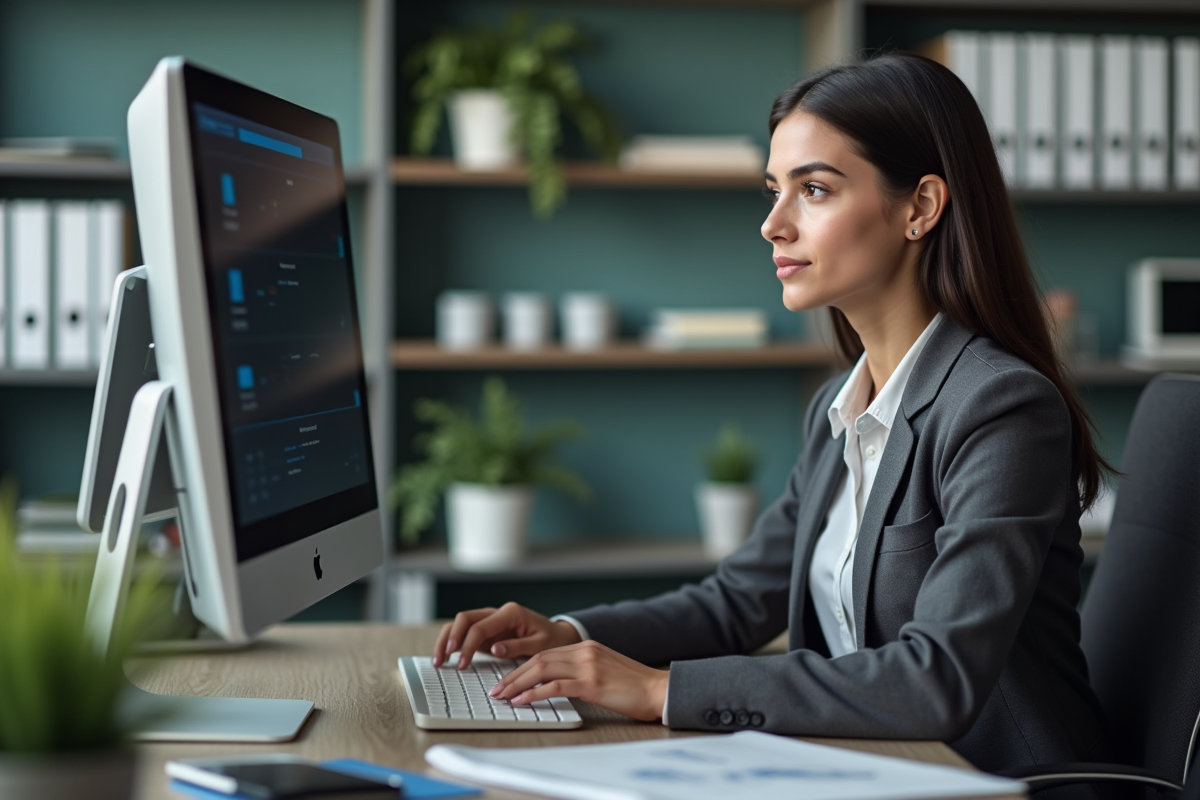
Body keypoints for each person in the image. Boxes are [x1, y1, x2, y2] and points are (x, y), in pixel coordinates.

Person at [431, 53, 1113, 779]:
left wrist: (659, 690)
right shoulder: (840, 407)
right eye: (773, 191)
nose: (773, 225)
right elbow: (734, 604)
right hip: (873, 766)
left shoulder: (1000, 406)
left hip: (995, 782)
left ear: (920, 207)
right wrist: (568, 635)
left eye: (813, 190)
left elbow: (935, 677)